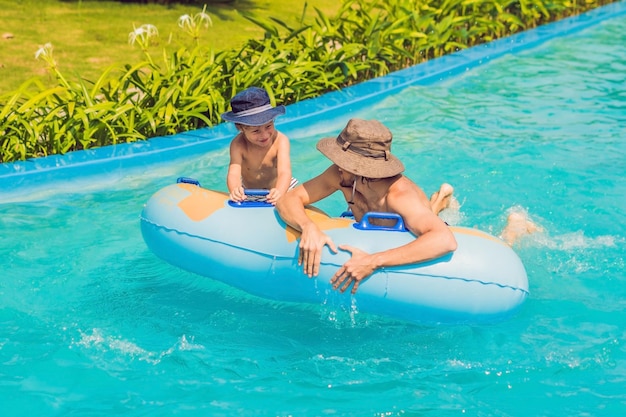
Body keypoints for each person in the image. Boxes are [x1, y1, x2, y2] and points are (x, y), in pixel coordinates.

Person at [275, 118, 458, 294]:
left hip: (409, 221)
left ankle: (439, 201)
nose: (337, 165)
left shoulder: (399, 196)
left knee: (418, 221)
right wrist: (308, 227)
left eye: (343, 161)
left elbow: (445, 240)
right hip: (380, 223)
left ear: (360, 168)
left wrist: (373, 261)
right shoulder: (340, 175)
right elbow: (288, 199)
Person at [221, 86, 296, 205]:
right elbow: (234, 173)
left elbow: (285, 172)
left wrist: (280, 191)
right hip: (250, 192)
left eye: (268, 126)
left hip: (281, 186)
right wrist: (235, 189)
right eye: (256, 131)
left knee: (294, 205)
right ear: (241, 128)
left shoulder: (280, 141)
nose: (265, 135)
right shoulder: (238, 145)